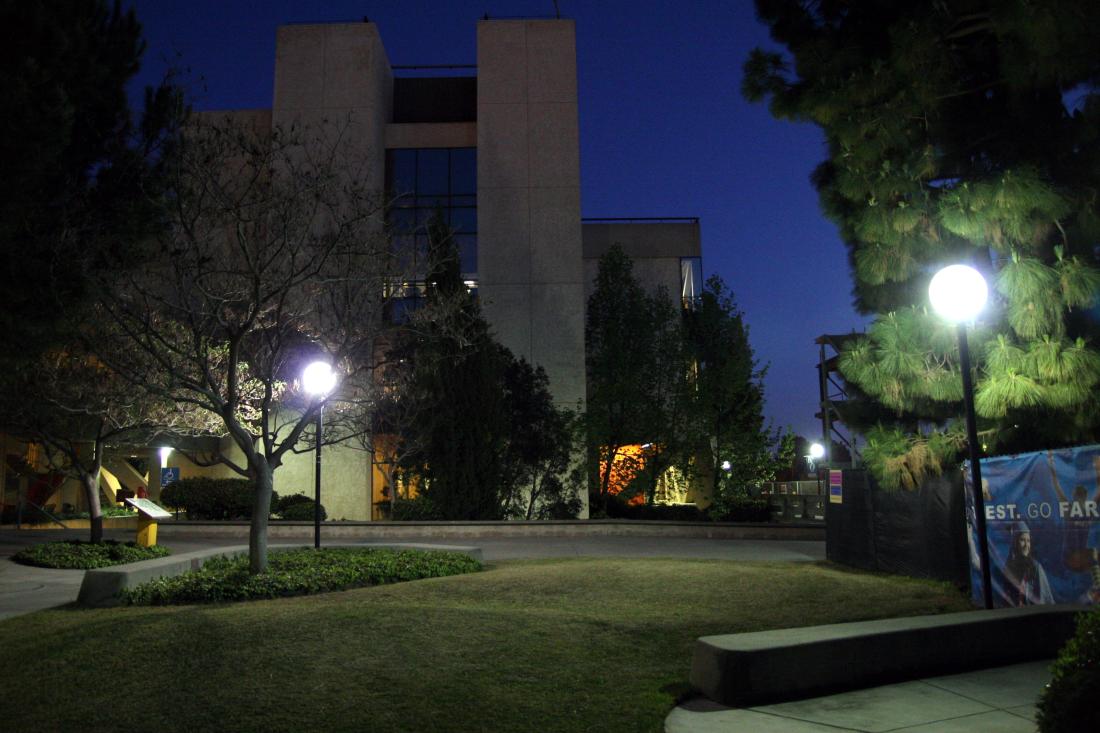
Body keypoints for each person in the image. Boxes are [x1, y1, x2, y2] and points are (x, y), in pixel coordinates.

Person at [1004, 521, 1054, 605]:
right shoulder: (1009, 567)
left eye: (1028, 541)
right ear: (1015, 543)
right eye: (1022, 540)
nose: (1026, 545)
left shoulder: (1035, 568)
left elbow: (1042, 602)